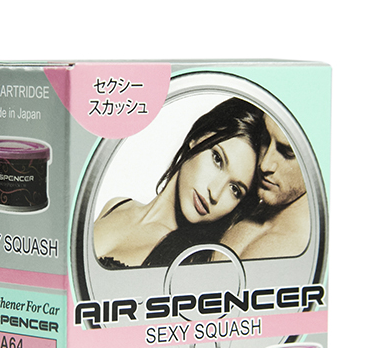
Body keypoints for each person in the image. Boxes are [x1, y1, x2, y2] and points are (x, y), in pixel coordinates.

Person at [94, 97, 269, 268]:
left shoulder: (194, 262)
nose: (215, 193)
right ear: (197, 137)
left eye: (235, 190)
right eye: (217, 159)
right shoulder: (116, 206)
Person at [219, 113, 310, 259]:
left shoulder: (309, 247)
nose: (265, 165)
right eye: (266, 139)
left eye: (287, 152)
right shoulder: (241, 212)